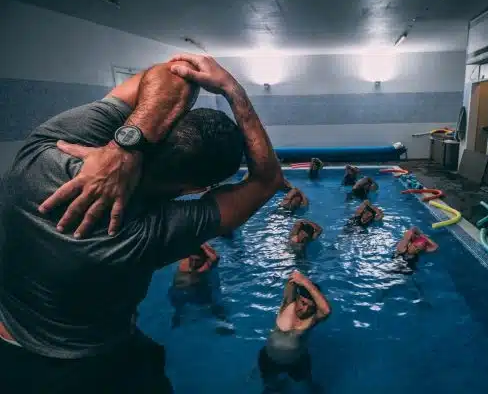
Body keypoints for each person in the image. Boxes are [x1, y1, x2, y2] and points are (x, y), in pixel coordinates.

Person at [0, 54, 283, 392]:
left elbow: (173, 73)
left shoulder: (48, 150)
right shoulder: (143, 234)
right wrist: (234, 91)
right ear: (197, 189)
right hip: (83, 365)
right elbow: (267, 181)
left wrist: (126, 146)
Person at [258, 271, 330, 393]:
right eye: (303, 303)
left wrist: (306, 283)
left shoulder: (312, 318)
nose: (305, 309)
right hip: (269, 358)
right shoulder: (288, 304)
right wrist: (300, 280)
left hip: (297, 362)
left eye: (310, 306)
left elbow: (326, 311)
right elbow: (292, 278)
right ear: (297, 298)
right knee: (270, 385)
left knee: (307, 382)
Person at [168, 243, 234, 334]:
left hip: (197, 292)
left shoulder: (205, 267)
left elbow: (216, 257)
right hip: (178, 292)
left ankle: (224, 323)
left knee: (215, 305)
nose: (194, 263)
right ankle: (176, 321)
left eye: (197, 260)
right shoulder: (184, 262)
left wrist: (202, 243)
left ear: (205, 259)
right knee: (178, 310)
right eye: (192, 259)